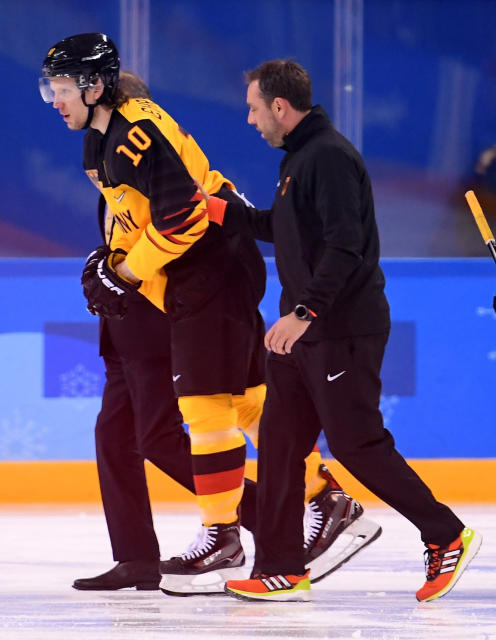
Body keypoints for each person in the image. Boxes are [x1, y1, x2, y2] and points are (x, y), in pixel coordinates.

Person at [41, 35, 378, 595]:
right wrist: (116, 262)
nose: (53, 101)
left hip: (210, 271)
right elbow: (143, 217)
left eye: (59, 89)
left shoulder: (133, 134)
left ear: (95, 87)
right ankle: (321, 498)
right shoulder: (100, 141)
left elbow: (184, 219)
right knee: (245, 402)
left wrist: (124, 273)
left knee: (204, 409)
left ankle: (229, 533)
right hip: (208, 270)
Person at [202, 59, 482, 602]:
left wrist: (303, 314)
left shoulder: (327, 157)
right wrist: (216, 210)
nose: (251, 120)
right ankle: (281, 567)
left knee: (357, 444)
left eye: (254, 109)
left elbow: (344, 247)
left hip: (338, 331)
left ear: (280, 107)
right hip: (301, 337)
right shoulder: (298, 161)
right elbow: (277, 228)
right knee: (281, 449)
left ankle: (446, 534)